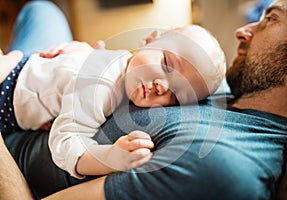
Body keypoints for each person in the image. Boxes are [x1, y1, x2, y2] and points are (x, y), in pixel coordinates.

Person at [1, 0, 287, 199]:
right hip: (44, 82)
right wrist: (85, 61)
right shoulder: (228, 82)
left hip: (10, 129)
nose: (242, 30)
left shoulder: (224, 166)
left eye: (270, 19)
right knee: (42, 9)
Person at [0, 1, 226, 179]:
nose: (162, 86)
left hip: (9, 94)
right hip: (15, 76)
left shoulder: (103, 90)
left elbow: (66, 142)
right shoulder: (111, 77)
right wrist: (88, 53)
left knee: (41, 9)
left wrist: (111, 156)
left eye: (175, 96)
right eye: (167, 65)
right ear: (149, 40)